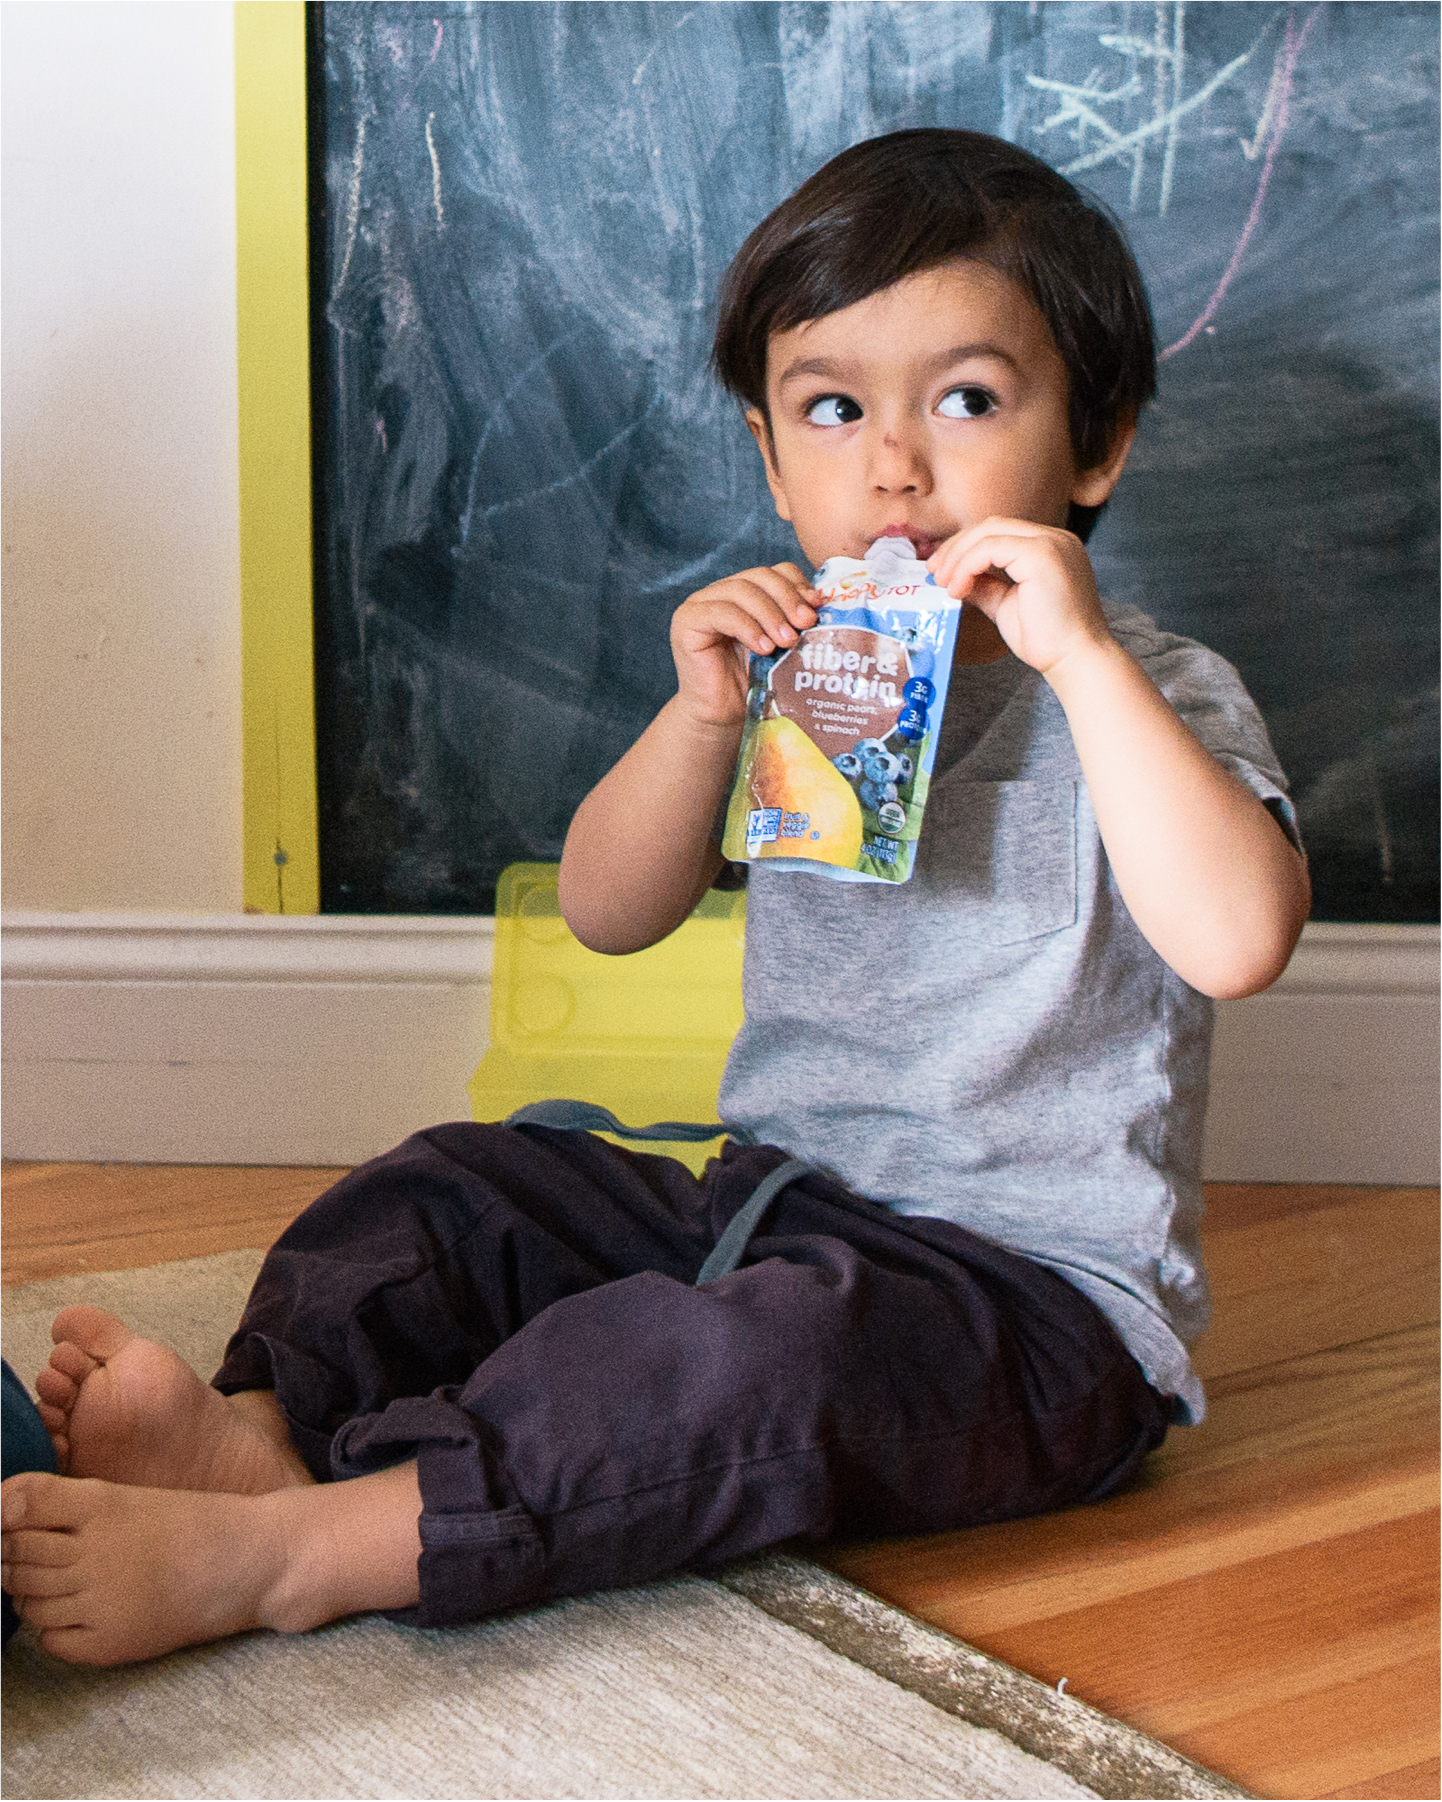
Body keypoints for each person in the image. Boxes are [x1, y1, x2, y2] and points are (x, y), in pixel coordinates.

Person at [0, 129, 1308, 1668]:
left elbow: (1235, 937)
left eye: (965, 399)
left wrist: (1081, 661)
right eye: (833, 408)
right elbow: (616, 909)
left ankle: (307, 1551)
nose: (894, 462)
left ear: (1092, 446)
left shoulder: (1154, 694)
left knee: (729, 1366)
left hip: (1025, 1310)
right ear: (770, 454)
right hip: (767, 1200)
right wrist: (697, 719)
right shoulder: (815, 684)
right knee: (456, 1186)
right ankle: (254, 1428)